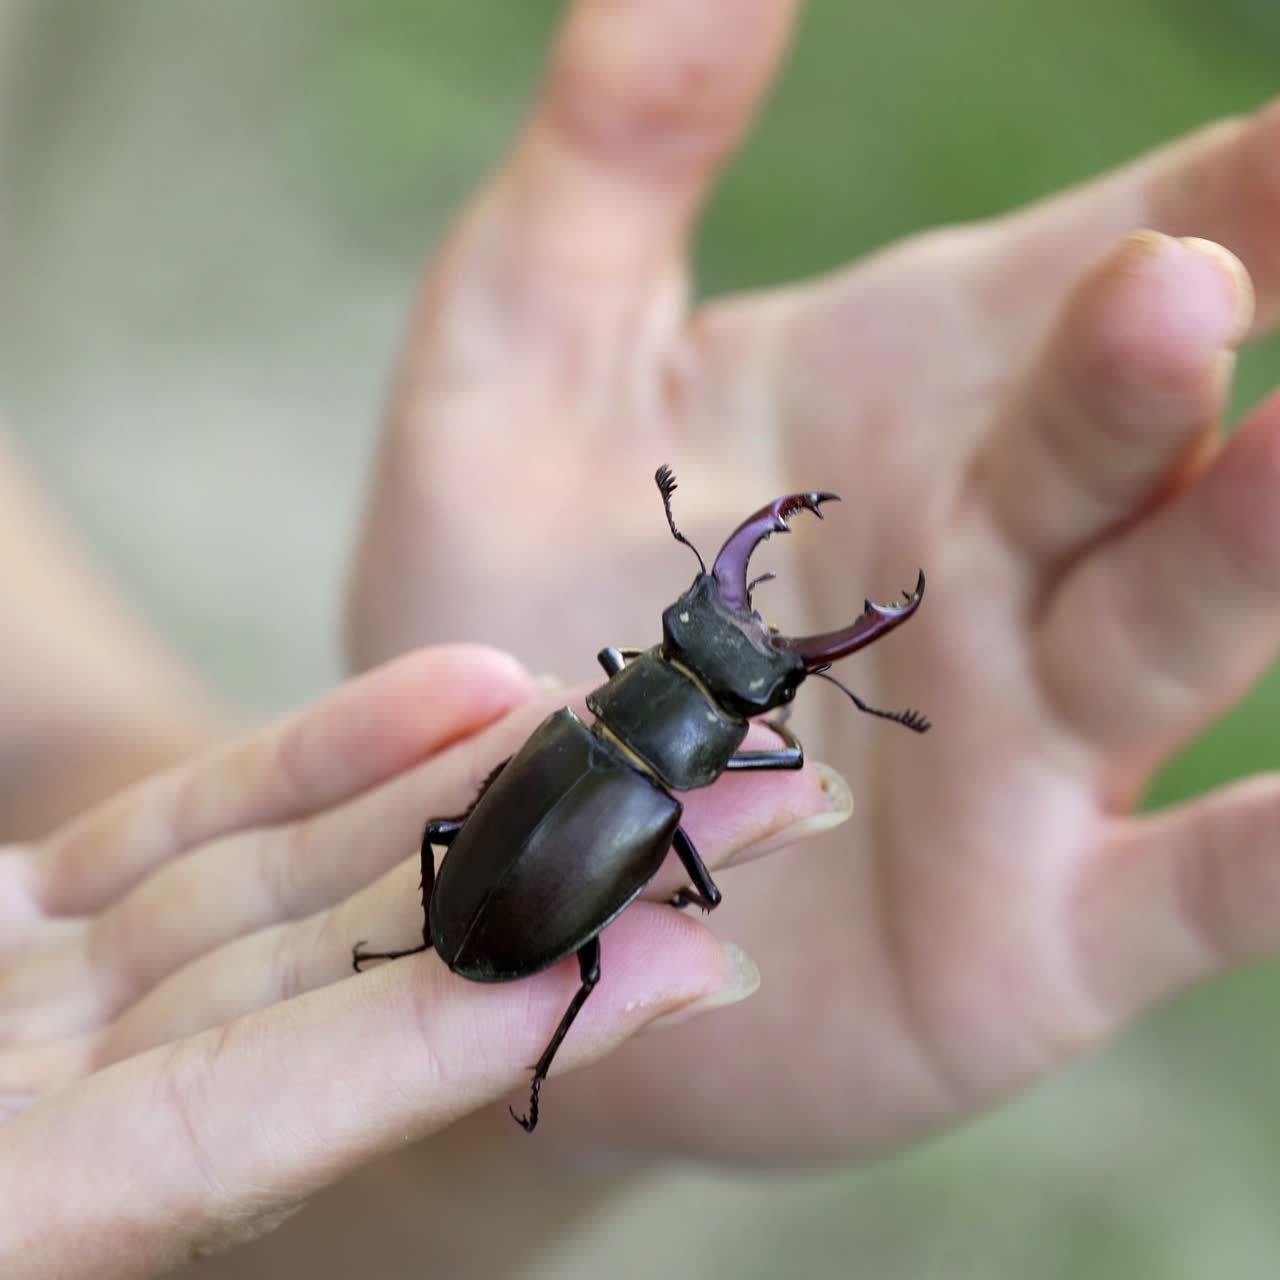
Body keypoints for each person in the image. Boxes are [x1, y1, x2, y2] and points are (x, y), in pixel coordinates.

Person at [4, 0, 1280, 1273]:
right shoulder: (673, 776)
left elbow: (57, 743)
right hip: (520, 886)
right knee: (524, 882)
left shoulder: (595, 718)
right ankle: (531, 1056)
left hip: (514, 883)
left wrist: (463, 1140)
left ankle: (522, 1073)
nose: (722, 659)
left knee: (488, 865)